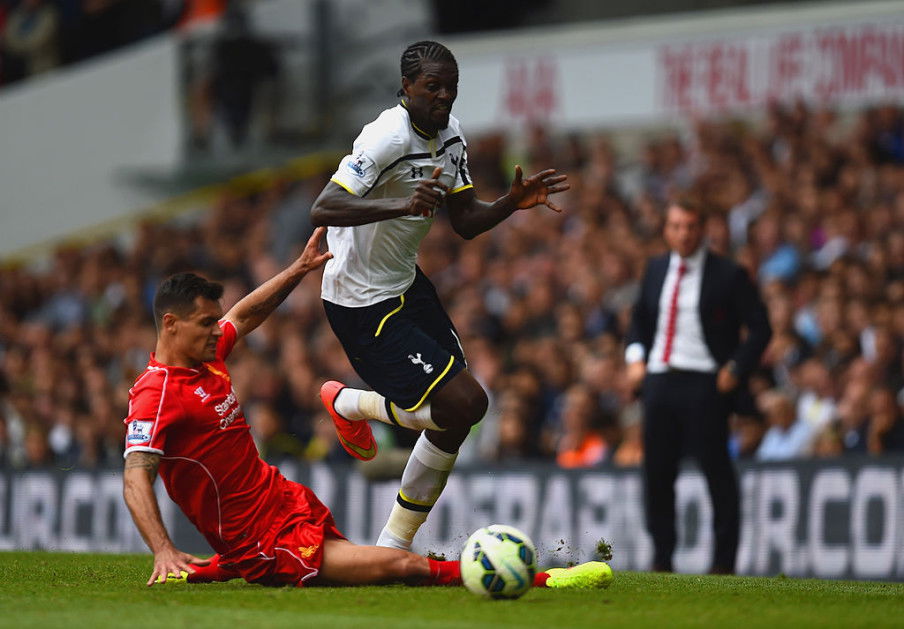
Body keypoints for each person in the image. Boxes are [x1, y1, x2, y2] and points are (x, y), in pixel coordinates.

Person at [122, 227, 606, 590]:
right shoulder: (155, 394)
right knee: (396, 566)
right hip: (259, 537)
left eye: (213, 323)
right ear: (170, 325)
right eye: (206, 324)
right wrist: (162, 549)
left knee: (357, 560)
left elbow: (243, 315)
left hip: (283, 500)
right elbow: (134, 477)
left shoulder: (205, 356)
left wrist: (297, 270)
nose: (216, 331)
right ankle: (543, 580)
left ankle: (215, 568)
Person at [309, 40, 569, 551]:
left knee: (459, 412)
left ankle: (392, 546)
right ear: (407, 88)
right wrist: (400, 204)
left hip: (407, 286)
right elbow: (325, 206)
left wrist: (511, 204)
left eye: (451, 87)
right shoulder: (385, 136)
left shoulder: (452, 138)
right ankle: (350, 403)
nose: (444, 96)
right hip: (359, 302)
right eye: (433, 87)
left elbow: (466, 222)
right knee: (466, 402)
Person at [625, 199, 771, 574]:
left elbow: (760, 327)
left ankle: (723, 564)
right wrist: (635, 358)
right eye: (676, 226)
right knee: (657, 474)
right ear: (666, 230)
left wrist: (736, 367)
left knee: (716, 473)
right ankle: (662, 559)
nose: (684, 234)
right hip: (659, 380)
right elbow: (639, 320)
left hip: (705, 382)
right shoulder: (655, 269)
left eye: (690, 226)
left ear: (703, 229)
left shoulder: (728, 274)